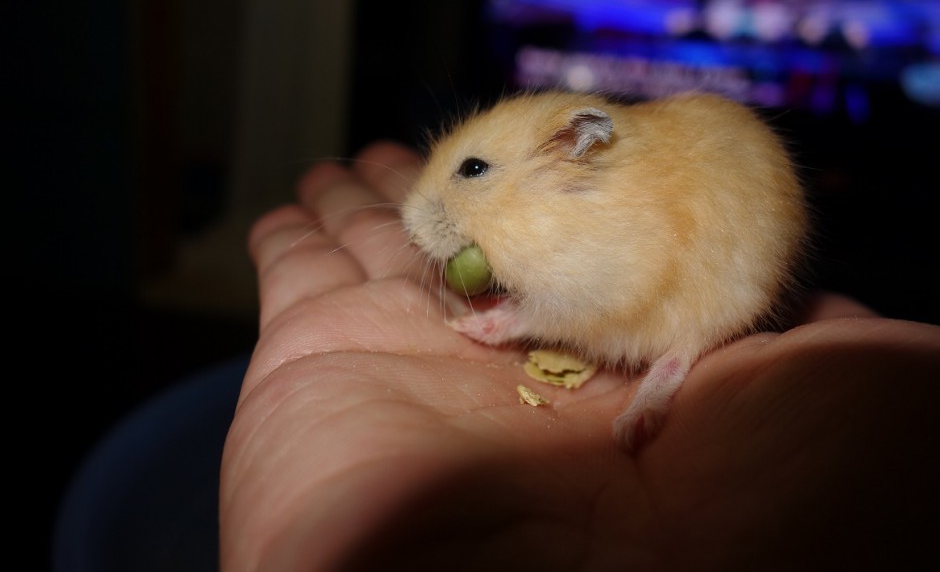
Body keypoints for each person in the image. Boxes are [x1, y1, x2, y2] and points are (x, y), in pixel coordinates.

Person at [219, 141, 940, 570]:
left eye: (471, 172)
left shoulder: (619, 216)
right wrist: (524, 314)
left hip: (708, 292)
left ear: (580, 149)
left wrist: (518, 320)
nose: (421, 214)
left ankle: (677, 357)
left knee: (663, 314)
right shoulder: (582, 214)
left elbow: (615, 304)